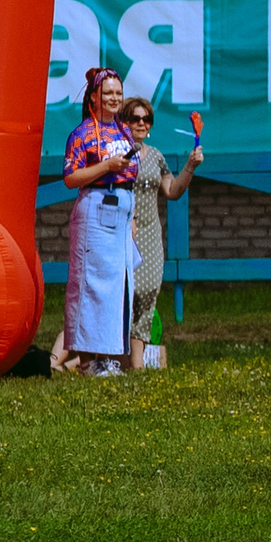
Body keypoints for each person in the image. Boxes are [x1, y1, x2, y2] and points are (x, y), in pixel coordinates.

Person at [61, 68, 140, 376]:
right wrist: (106, 166)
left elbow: (131, 176)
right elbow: (71, 177)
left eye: (118, 93)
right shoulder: (81, 134)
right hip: (95, 209)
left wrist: (132, 216)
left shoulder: (123, 131)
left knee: (117, 285)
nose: (113, 98)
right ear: (94, 97)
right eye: (107, 93)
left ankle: (108, 358)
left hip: (121, 212)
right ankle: (87, 360)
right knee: (90, 285)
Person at [117, 96, 201, 366]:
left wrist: (190, 166)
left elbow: (172, 190)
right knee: (126, 295)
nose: (141, 123)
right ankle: (120, 359)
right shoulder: (116, 152)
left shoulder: (155, 156)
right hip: (124, 231)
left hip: (150, 235)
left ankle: (137, 364)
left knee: (148, 291)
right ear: (124, 122)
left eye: (146, 119)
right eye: (134, 118)